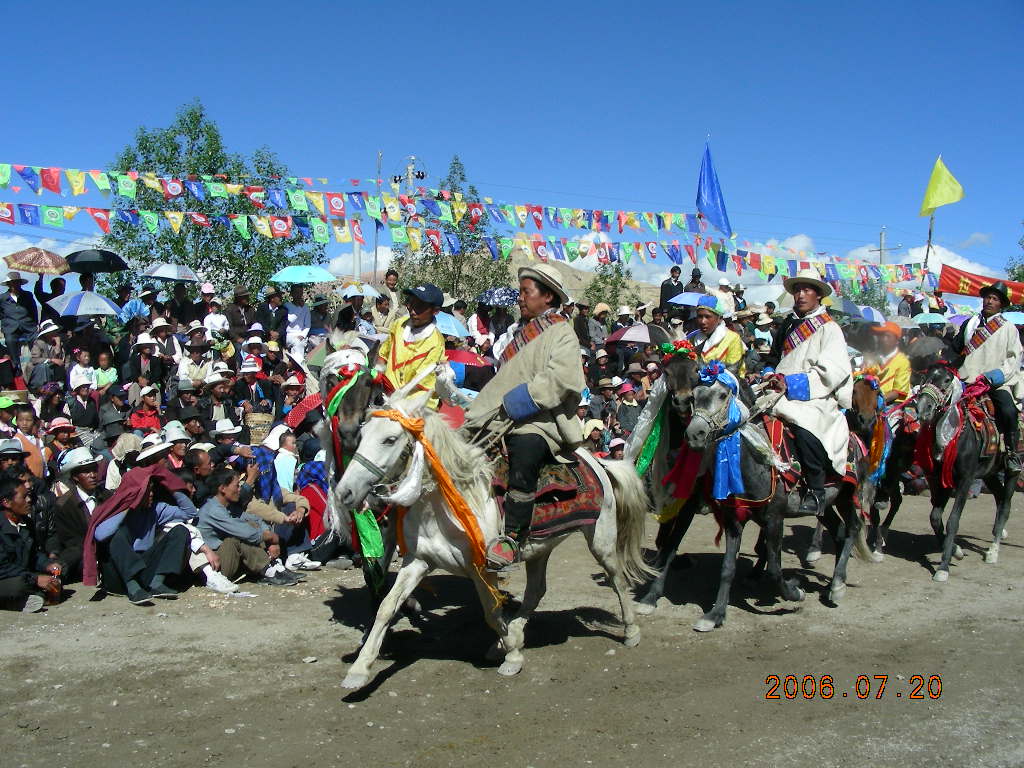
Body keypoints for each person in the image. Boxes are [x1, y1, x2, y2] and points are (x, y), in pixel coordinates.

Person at [464, 264, 585, 570]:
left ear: (548, 297)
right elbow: (503, 376)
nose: (519, 298)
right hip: (503, 414)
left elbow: (564, 380)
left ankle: (513, 538)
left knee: (525, 448)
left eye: (525, 292)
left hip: (542, 420)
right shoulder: (516, 333)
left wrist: (522, 399)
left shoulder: (563, 333)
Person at [761, 268, 853, 517]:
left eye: (807, 290)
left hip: (815, 395)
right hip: (776, 390)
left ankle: (815, 489)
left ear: (818, 295)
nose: (801, 295)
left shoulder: (830, 328)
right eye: (797, 290)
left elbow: (831, 371)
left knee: (805, 428)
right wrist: (769, 373)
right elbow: (772, 357)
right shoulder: (788, 324)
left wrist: (791, 384)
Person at [953, 281, 1022, 472]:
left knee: (1008, 411)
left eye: (995, 299)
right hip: (967, 380)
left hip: (995, 382)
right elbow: (956, 349)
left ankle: (1011, 453)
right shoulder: (970, 324)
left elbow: (1013, 359)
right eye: (987, 297)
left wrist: (993, 377)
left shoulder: (1009, 328)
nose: (990, 301)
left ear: (1001, 304)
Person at [197, 468, 297, 586]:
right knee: (235, 538)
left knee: (251, 525)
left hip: (229, 559)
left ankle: (272, 566)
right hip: (215, 566)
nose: (239, 490)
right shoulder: (213, 510)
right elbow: (247, 533)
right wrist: (272, 538)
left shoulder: (227, 506)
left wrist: (269, 535)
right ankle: (267, 570)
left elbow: (255, 519)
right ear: (222, 488)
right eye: (236, 486)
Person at [376, 283, 447, 409]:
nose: (413, 311)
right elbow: (383, 355)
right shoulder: (398, 325)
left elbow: (421, 382)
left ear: (435, 311)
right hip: (386, 396)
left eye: (419, 307)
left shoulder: (436, 342)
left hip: (415, 405)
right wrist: (377, 374)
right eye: (410, 304)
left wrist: (394, 398)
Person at [0, 476, 60, 613]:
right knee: (20, 585)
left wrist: (48, 564)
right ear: (7, 502)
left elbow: (34, 554)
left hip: (23, 575)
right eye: (23, 497)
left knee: (54, 581)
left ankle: (26, 599)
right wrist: (35, 579)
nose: (29, 500)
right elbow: (3, 568)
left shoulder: (26, 523)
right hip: (7, 579)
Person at [52, 447, 108, 582]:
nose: (93, 475)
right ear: (75, 477)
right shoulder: (64, 505)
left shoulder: (108, 496)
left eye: (94, 470)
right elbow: (70, 540)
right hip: (83, 554)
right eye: (86, 472)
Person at [689, 298, 745, 374]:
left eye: (707, 317)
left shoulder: (732, 339)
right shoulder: (691, 339)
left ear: (720, 319)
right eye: (700, 316)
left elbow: (733, 370)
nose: (703, 321)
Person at [0, 271, 38, 364]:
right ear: (9, 284)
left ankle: (37, 362)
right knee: (10, 340)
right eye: (13, 282)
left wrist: (36, 323)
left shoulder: (28, 295)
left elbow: (33, 310)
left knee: (35, 339)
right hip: (11, 327)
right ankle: (15, 366)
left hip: (28, 326)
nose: (15, 284)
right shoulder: (2, 298)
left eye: (17, 282)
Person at [869, 322, 911, 403]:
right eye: (881, 335)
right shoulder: (873, 357)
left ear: (896, 341)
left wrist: (878, 401)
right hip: (871, 402)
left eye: (887, 336)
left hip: (893, 403)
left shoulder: (903, 362)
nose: (883, 338)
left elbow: (898, 392)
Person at [283, 285, 311, 360]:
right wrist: (299, 308)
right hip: (288, 334)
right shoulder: (286, 306)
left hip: (300, 334)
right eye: (296, 292)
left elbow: (307, 325)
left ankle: (298, 366)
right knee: (297, 343)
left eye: (300, 293)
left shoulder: (306, 307)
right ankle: (296, 365)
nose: (298, 295)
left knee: (299, 342)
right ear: (291, 293)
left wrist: (302, 335)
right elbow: (288, 321)